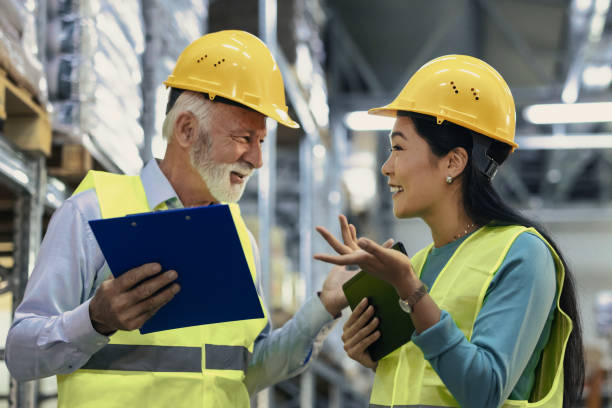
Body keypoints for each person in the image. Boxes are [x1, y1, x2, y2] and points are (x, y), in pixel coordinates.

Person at [5, 30, 358, 408]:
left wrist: (326, 305)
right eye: (243, 138)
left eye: (261, 141)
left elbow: (248, 371)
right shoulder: (93, 214)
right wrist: (95, 320)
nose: (257, 160)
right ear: (187, 129)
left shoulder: (240, 241)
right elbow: (22, 354)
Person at [314, 55, 584, 408]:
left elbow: (483, 391)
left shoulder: (522, 254)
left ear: (453, 162)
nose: (386, 167)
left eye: (398, 148)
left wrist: (411, 292)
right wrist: (375, 355)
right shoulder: (419, 262)